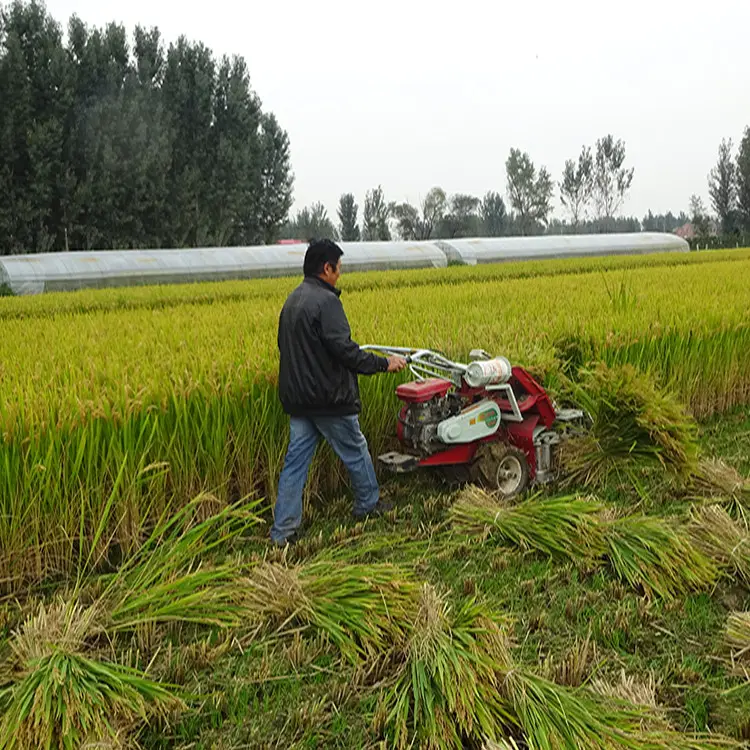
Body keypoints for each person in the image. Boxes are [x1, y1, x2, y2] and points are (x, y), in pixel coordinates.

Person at [270, 238, 407, 546]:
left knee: (295, 463)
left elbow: (286, 349)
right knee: (356, 450)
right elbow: (345, 351)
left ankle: (283, 531)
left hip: (299, 401)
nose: (340, 275)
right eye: (338, 268)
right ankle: (368, 505)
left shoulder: (292, 301)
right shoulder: (327, 302)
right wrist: (384, 364)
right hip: (328, 400)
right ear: (327, 268)